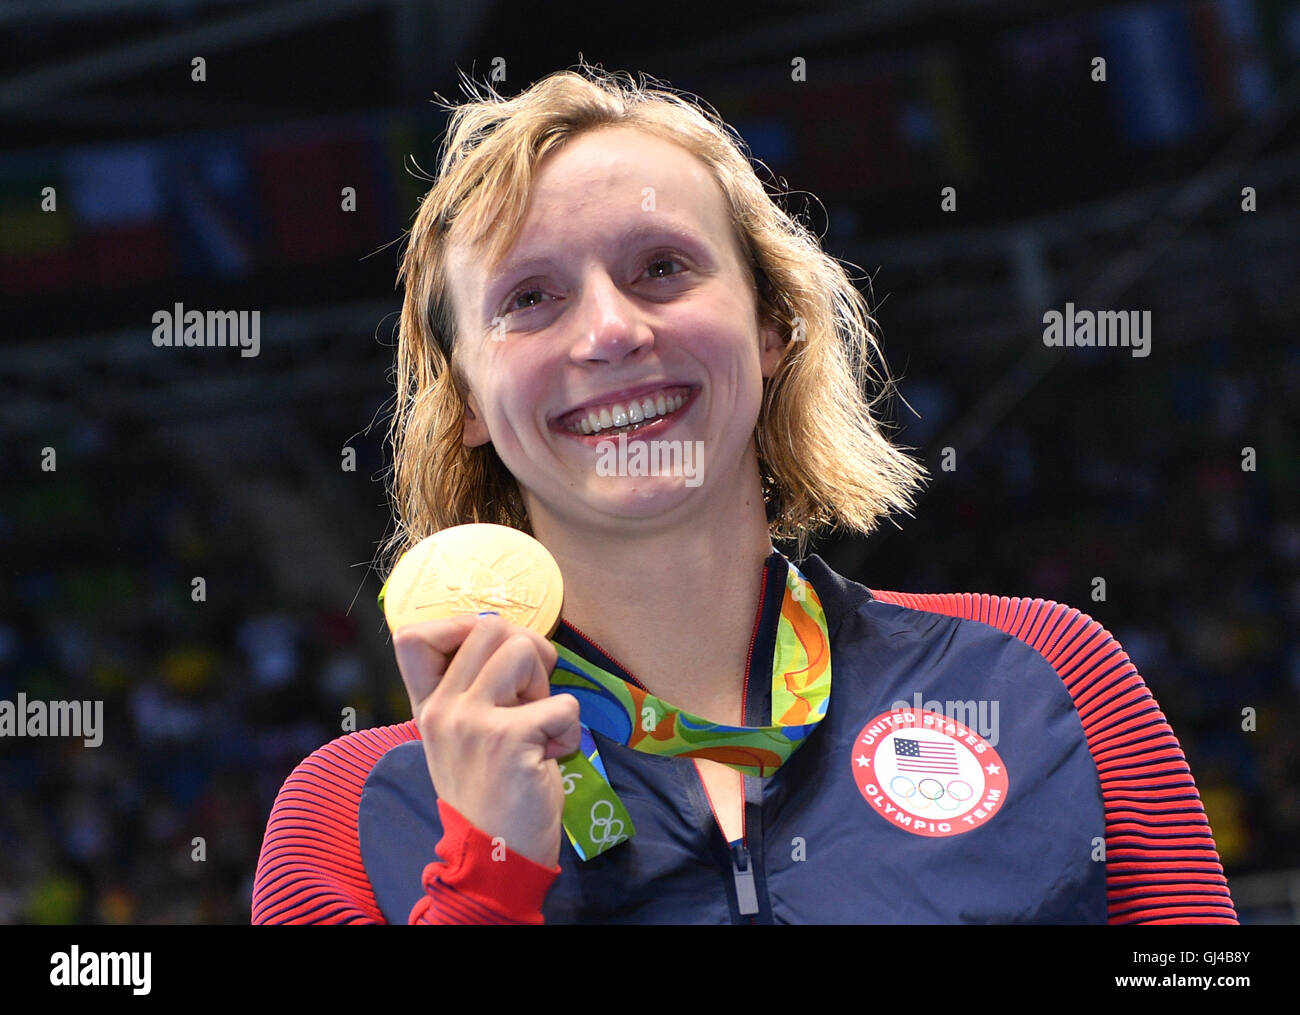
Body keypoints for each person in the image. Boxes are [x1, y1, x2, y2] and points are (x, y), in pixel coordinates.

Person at [251, 64, 1237, 925]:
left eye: (662, 268)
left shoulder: (1043, 678)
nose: (609, 331)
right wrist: (487, 874)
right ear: (465, 397)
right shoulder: (350, 812)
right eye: (530, 298)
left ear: (770, 330)